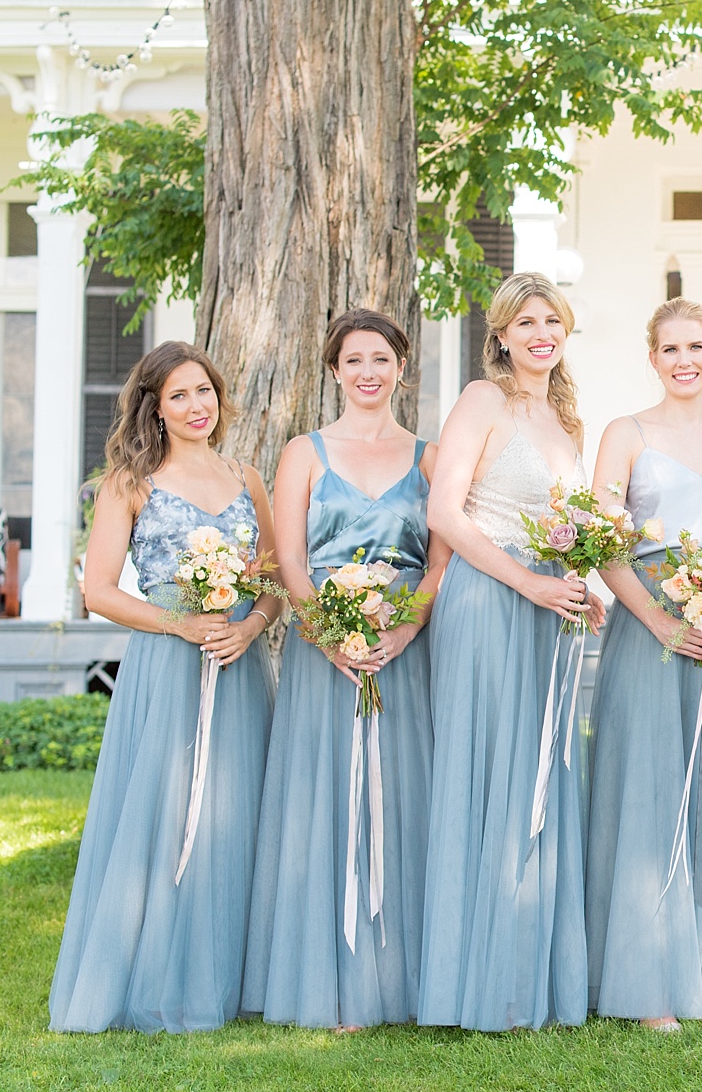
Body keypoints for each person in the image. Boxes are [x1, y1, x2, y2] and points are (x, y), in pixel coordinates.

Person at [50, 342, 282, 1032]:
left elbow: (272, 581)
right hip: (168, 664)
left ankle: (233, 976)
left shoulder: (247, 477)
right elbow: (95, 589)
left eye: (204, 391)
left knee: (236, 816)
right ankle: (154, 972)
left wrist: (252, 626)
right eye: (178, 395)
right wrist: (176, 623)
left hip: (239, 666)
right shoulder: (131, 481)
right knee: (166, 813)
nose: (195, 405)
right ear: (154, 405)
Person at [244, 309, 448, 1029]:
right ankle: (331, 977)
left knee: (407, 794)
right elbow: (290, 560)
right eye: (354, 360)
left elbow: (442, 555)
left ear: (401, 366)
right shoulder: (305, 451)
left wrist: (410, 620)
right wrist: (329, 636)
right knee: (325, 800)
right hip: (322, 646)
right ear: (334, 370)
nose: (368, 372)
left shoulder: (430, 455)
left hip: (403, 645)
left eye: (381, 359)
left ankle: (407, 978)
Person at [417, 272, 604, 1031]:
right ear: (500, 335)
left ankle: (531, 971)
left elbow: (565, 529)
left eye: (551, 321)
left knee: (538, 773)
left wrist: (576, 585)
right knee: (484, 771)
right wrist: (528, 582)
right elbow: (446, 513)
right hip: (487, 600)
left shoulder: (568, 422)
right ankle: (472, 981)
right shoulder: (481, 400)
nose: (540, 334)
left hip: (544, 608)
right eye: (524, 322)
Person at [585, 298, 702, 1029]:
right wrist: (656, 617)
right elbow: (601, 540)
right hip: (649, 622)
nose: (683, 359)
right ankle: (647, 971)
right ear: (651, 358)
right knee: (648, 789)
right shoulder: (626, 432)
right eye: (669, 348)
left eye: (696, 346)